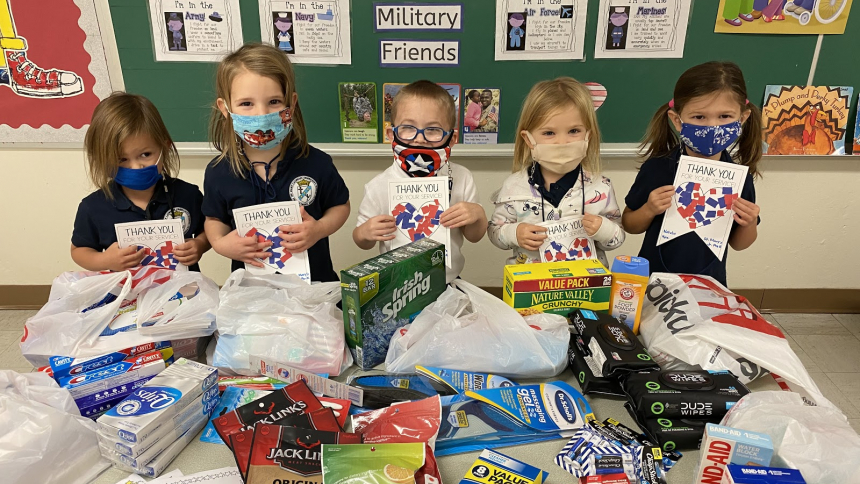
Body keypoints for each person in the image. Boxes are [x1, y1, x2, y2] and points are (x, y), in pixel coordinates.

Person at [203, 43, 350, 282]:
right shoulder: (219, 172)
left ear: (290, 103)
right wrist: (220, 244)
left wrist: (320, 229)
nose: (261, 114)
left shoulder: (316, 162)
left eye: (273, 102)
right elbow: (214, 219)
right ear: (225, 108)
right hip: (253, 294)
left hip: (315, 290)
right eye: (246, 104)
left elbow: (340, 205)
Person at [622, 61, 762, 287]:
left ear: (742, 119)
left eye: (725, 116)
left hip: (709, 285)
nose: (712, 126)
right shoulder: (658, 167)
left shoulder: (738, 176)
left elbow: (739, 243)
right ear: (677, 120)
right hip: (652, 282)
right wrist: (649, 209)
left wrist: (749, 222)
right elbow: (629, 224)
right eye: (699, 117)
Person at [353, 80, 487, 283]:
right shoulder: (378, 186)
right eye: (408, 127)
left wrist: (478, 215)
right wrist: (365, 233)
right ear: (391, 134)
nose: (420, 139)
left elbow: (474, 236)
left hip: (447, 281)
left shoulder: (462, 178)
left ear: (452, 138)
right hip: (396, 284)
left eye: (433, 129)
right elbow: (361, 241)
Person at [488, 77, 625, 269]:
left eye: (574, 131)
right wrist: (514, 233)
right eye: (549, 133)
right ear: (528, 139)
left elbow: (617, 238)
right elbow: (495, 232)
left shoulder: (600, 187)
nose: (562, 142)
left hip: (585, 286)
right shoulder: (514, 186)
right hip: (530, 286)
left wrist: (604, 230)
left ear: (588, 135)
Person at [71, 92, 209, 271]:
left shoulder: (188, 195)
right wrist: (104, 260)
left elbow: (209, 231)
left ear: (164, 146)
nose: (136, 167)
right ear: (102, 158)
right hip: (127, 294)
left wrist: (199, 244)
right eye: (122, 159)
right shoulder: (94, 207)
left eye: (146, 154)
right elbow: (79, 250)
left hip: (182, 292)